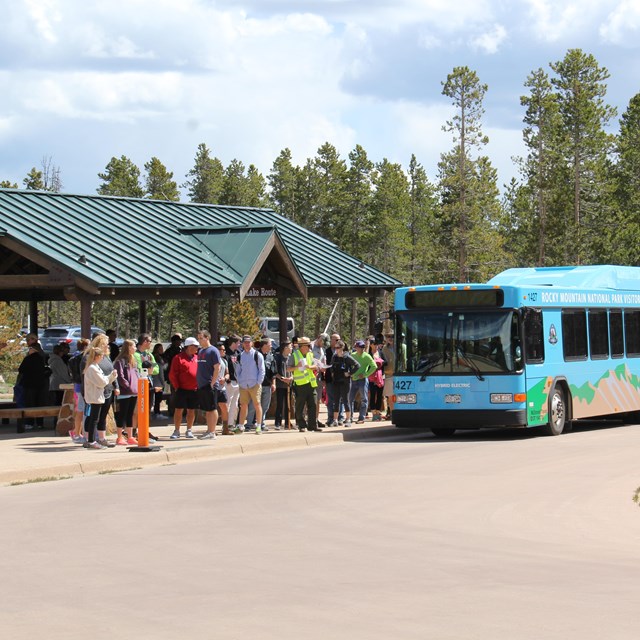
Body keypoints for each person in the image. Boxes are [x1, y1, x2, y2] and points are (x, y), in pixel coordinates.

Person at [84, 333, 119, 447]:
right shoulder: (92, 365)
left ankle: (100, 439)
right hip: (95, 394)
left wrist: (115, 384)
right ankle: (90, 440)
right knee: (93, 418)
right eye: (105, 344)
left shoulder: (104, 360)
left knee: (101, 417)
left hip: (105, 392)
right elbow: (102, 381)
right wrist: (112, 377)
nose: (107, 347)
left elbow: (107, 375)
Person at [287, 336, 322, 432]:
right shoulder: (294, 355)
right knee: (300, 406)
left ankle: (312, 425)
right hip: (300, 385)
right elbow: (288, 368)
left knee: (313, 405)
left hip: (311, 384)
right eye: (307, 346)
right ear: (302, 346)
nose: (309, 347)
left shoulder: (310, 354)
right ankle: (301, 425)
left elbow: (316, 366)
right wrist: (297, 367)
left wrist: (311, 367)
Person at [168, 337, 199, 439]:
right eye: (195, 346)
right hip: (181, 389)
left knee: (191, 410)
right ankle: (177, 430)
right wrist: (177, 386)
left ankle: (189, 430)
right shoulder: (178, 358)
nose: (197, 348)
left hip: (194, 389)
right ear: (189, 347)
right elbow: (172, 374)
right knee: (179, 410)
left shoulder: (197, 358)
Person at [236, 335, 265, 434]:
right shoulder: (240, 356)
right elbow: (238, 371)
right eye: (245, 342)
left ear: (252, 343)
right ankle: (240, 426)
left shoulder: (257, 355)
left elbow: (262, 370)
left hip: (254, 384)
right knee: (243, 405)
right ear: (242, 344)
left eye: (249, 342)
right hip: (243, 385)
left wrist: (258, 383)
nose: (247, 344)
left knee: (257, 404)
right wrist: (240, 381)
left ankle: (259, 426)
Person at [113, 339, 140, 445]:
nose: (135, 348)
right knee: (122, 414)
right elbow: (120, 376)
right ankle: (119, 437)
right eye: (133, 346)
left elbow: (136, 374)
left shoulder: (133, 359)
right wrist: (127, 386)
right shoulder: (120, 361)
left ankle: (130, 436)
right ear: (128, 347)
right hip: (125, 392)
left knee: (130, 414)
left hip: (134, 392)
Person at [17, 344, 50, 430]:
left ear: (34, 349)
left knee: (30, 404)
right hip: (40, 384)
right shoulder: (41, 359)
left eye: (30, 348)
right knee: (39, 404)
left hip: (29, 385)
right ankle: (40, 423)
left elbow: (21, 369)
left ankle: (30, 422)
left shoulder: (28, 359)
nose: (29, 350)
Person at [247, 337, 277, 432]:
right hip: (256, 385)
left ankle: (261, 423)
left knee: (265, 406)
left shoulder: (270, 356)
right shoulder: (255, 355)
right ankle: (249, 423)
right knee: (253, 405)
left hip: (267, 385)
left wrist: (273, 384)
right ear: (264, 345)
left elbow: (273, 372)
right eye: (269, 345)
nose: (271, 346)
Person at [196, 329, 221, 440]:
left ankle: (213, 432)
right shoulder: (201, 351)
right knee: (207, 409)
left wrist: (212, 383)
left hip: (209, 384)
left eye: (201, 338)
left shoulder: (213, 351)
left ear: (207, 338)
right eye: (199, 338)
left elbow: (217, 368)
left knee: (212, 408)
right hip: (201, 384)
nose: (199, 340)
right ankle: (208, 430)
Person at [328, 340, 359, 426]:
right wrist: (332, 372)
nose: (336, 349)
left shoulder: (347, 357)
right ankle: (335, 420)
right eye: (335, 348)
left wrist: (349, 373)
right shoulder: (334, 357)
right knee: (336, 401)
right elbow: (331, 366)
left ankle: (348, 419)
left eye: (338, 348)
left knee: (346, 400)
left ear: (342, 348)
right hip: (336, 381)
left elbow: (357, 365)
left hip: (345, 382)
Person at [348, 340, 377, 424]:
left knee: (364, 399)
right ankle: (349, 417)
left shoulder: (367, 356)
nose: (362, 349)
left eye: (363, 347)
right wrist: (350, 373)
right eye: (360, 347)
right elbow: (348, 365)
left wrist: (365, 374)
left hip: (362, 380)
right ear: (356, 348)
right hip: (353, 379)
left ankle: (361, 417)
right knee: (350, 399)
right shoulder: (352, 355)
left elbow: (374, 366)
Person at [68, 338, 89, 444]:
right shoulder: (83, 358)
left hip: (77, 385)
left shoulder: (73, 357)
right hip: (82, 386)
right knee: (82, 410)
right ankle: (78, 433)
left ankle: (77, 432)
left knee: (79, 409)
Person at [274, 339, 293, 430]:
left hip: (289, 384)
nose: (291, 348)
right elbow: (275, 372)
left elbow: (294, 370)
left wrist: (291, 378)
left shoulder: (291, 358)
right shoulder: (278, 358)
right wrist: (282, 379)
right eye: (290, 347)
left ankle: (287, 422)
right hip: (280, 385)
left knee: (289, 404)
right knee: (280, 404)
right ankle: (278, 423)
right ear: (285, 348)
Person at [215, 342, 233, 435]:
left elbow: (227, 373)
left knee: (225, 408)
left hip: (222, 388)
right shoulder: (212, 360)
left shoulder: (224, 361)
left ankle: (225, 428)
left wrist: (225, 378)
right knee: (212, 409)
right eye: (223, 350)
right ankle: (211, 429)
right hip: (214, 388)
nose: (224, 351)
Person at [163, 334, 183, 415]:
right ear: (175, 341)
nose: (180, 342)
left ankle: (176, 410)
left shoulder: (180, 349)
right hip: (173, 374)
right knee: (174, 393)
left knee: (177, 393)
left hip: (180, 374)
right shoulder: (171, 351)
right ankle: (172, 411)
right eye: (179, 341)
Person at [224, 335, 241, 429]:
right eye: (238, 342)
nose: (239, 344)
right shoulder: (226, 353)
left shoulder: (238, 353)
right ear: (233, 343)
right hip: (229, 383)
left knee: (235, 405)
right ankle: (225, 424)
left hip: (237, 382)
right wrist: (227, 379)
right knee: (227, 403)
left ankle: (231, 424)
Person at [368, 339, 386, 421]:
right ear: (371, 345)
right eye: (374, 344)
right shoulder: (368, 354)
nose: (376, 345)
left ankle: (378, 412)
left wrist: (380, 362)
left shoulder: (381, 353)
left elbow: (386, 362)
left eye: (377, 344)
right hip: (371, 377)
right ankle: (373, 413)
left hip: (380, 376)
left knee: (379, 395)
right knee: (372, 395)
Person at [151, 342, 168, 419]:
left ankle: (156, 412)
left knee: (157, 398)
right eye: (160, 349)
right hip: (158, 381)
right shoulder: (157, 358)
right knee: (158, 398)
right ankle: (157, 413)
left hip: (155, 380)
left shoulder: (156, 357)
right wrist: (163, 382)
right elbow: (160, 371)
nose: (162, 350)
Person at [382, 332, 396, 420]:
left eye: (392, 336)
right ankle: (392, 413)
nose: (390, 338)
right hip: (389, 375)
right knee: (390, 396)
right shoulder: (384, 349)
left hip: (401, 374)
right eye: (388, 336)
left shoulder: (402, 346)